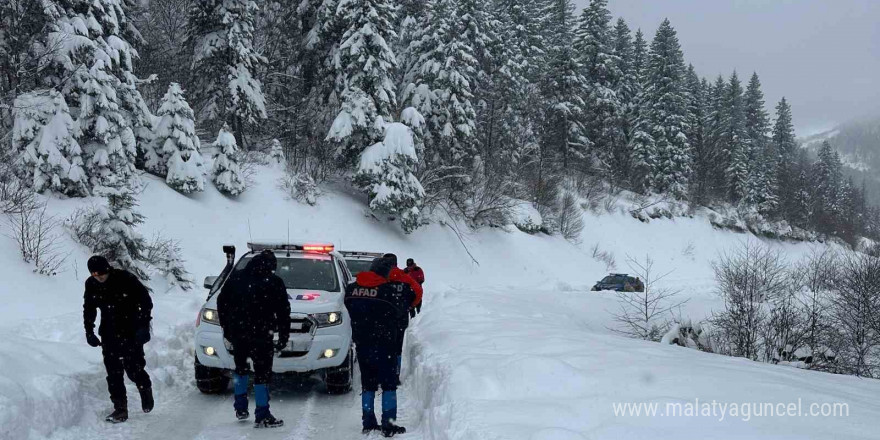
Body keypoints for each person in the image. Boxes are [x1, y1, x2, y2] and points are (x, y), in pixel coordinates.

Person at [216, 250, 290, 428]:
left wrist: (227, 327)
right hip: (262, 335)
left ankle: (240, 407)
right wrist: (283, 336)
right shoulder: (274, 282)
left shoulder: (236, 278)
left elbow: (221, 301)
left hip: (239, 334)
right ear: (271, 266)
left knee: (240, 368)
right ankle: (262, 413)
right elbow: (283, 311)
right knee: (262, 374)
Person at [345, 257, 417, 437]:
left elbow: (348, 305)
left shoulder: (352, 289)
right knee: (388, 383)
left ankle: (368, 421)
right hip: (386, 344)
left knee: (368, 383)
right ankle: (389, 423)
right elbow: (401, 311)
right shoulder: (388, 291)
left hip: (362, 343)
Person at [82, 255, 154, 424]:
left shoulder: (125, 279)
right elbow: (89, 308)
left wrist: (144, 325)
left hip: (131, 331)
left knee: (133, 368)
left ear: (108, 269)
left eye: (101, 274)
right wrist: (89, 331)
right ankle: (120, 409)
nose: (98, 278)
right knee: (113, 372)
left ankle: (145, 388)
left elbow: (146, 301)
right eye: (94, 275)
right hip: (109, 333)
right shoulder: (91, 284)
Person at [382, 253, 422, 378]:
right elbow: (418, 292)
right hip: (401, 317)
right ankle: (395, 373)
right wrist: (410, 306)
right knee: (397, 345)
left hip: (382, 318)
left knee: (381, 345)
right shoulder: (404, 276)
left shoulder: (380, 277)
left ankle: (382, 372)